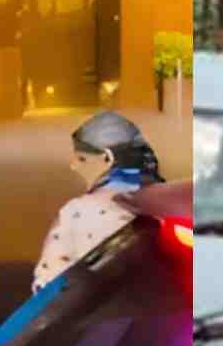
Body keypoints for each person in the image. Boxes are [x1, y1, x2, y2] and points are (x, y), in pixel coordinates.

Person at [33, 111, 163, 292]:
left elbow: (48, 283)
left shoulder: (77, 212)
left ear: (107, 158)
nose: (73, 165)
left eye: (81, 158)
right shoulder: (168, 204)